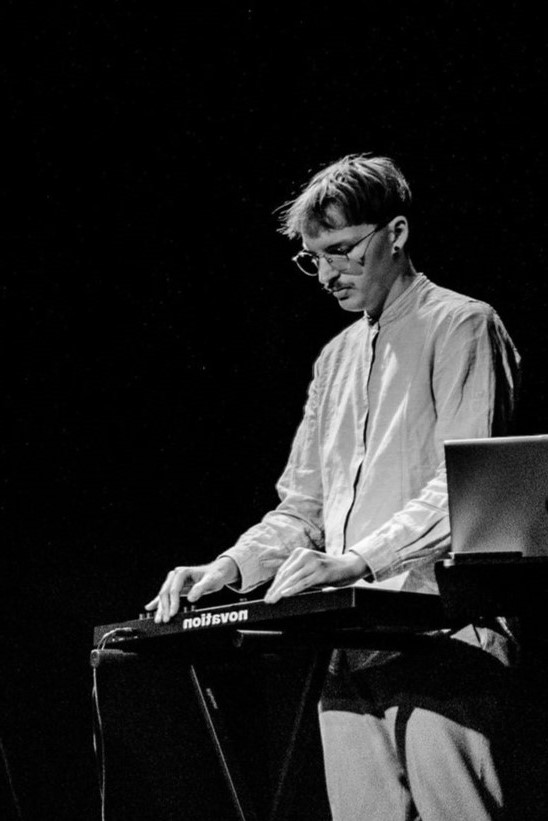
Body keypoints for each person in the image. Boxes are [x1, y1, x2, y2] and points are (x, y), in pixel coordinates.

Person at [146, 154, 523, 820]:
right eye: (314, 258)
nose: (326, 274)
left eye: (343, 250)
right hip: (351, 643)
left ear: (396, 233)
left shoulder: (462, 325)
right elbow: (304, 507)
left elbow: (462, 492)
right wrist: (227, 568)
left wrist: (355, 561)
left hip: (443, 629)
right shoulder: (335, 359)